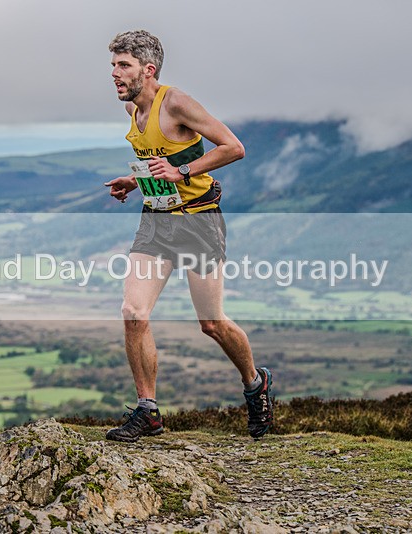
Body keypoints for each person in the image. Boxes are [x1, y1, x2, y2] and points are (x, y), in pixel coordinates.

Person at [103, 30, 273, 442]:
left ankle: (255, 384)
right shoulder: (132, 109)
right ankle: (148, 411)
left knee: (211, 323)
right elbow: (162, 160)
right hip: (157, 221)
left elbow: (233, 147)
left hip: (199, 222)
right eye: (113, 65)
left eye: (123, 65)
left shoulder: (176, 102)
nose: (114, 73)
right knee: (133, 312)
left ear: (148, 69)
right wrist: (135, 180)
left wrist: (182, 173)